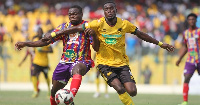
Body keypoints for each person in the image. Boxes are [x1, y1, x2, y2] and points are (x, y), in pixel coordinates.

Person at [42, 2, 174, 105]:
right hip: (104, 63)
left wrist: (161, 44)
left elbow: (141, 34)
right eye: (107, 9)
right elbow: (76, 28)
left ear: (116, 10)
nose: (109, 11)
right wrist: (54, 34)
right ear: (104, 12)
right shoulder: (98, 23)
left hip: (121, 63)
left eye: (112, 9)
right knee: (119, 88)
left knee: (132, 91)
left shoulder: (124, 24)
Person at [15, 5, 99, 105]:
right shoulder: (63, 27)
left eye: (75, 14)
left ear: (81, 14)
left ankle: (70, 96)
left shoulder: (88, 26)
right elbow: (45, 41)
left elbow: (96, 48)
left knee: (78, 69)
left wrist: (94, 35)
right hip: (64, 62)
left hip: (82, 60)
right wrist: (26, 43)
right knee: (54, 92)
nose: (72, 16)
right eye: (70, 14)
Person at [176, 13, 200, 105]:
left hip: (199, 59)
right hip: (190, 60)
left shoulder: (199, 31)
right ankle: (185, 101)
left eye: (193, 19)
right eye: (190, 19)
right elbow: (186, 47)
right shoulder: (185, 33)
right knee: (186, 78)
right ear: (188, 21)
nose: (192, 21)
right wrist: (180, 59)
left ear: (196, 21)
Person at [32, 27, 53, 98]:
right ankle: (35, 91)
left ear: (42, 32)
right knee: (34, 75)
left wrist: (43, 51)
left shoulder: (46, 41)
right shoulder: (35, 40)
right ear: (37, 33)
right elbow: (34, 50)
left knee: (46, 77)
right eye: (38, 31)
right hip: (36, 62)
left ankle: (49, 90)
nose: (39, 33)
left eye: (41, 31)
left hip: (44, 63)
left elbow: (51, 50)